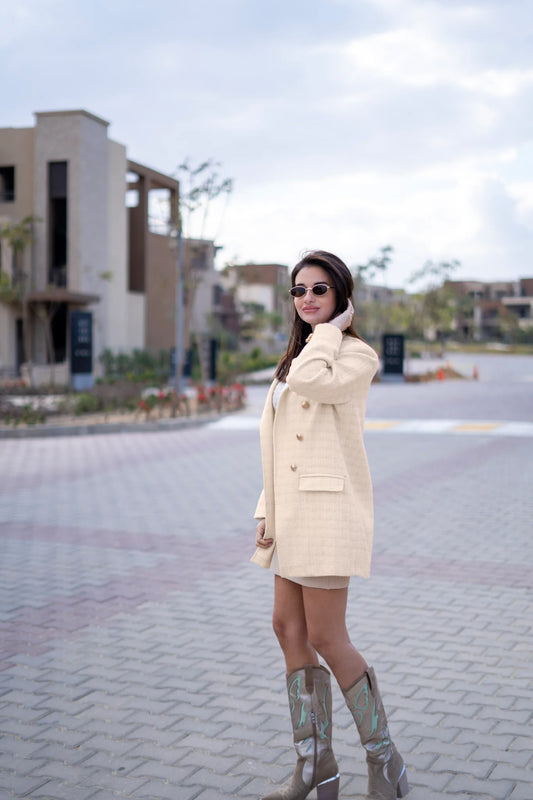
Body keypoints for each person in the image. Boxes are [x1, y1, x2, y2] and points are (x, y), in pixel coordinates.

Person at [251, 251, 409, 800]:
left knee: (326, 635)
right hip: (291, 515)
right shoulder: (300, 355)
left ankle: (385, 761)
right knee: (286, 627)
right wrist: (266, 509)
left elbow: (314, 384)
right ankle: (315, 763)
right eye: (298, 290)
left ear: (341, 295)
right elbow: (280, 443)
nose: (307, 298)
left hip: (327, 514)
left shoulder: (354, 355)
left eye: (319, 288)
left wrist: (330, 332)